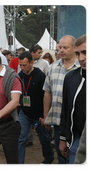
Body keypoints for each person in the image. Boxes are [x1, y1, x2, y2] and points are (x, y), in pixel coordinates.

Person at [40, 35, 80, 164]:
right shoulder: (53, 67)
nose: (61, 50)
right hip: (58, 119)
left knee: (77, 153)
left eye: (65, 47)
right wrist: (46, 115)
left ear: (74, 48)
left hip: (78, 120)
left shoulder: (82, 67)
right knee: (60, 152)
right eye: (60, 48)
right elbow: (47, 92)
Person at [17, 51, 54, 165]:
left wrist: (44, 115)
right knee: (21, 138)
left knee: (44, 139)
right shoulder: (19, 76)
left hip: (39, 114)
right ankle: (18, 164)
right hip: (25, 113)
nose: (22, 68)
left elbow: (46, 96)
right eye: (21, 65)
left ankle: (49, 158)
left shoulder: (40, 76)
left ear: (32, 63)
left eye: (25, 65)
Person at [59, 34, 87, 164]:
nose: (81, 58)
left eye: (86, 52)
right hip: (77, 139)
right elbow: (65, 110)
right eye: (78, 53)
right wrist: (63, 139)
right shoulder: (70, 78)